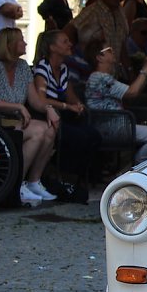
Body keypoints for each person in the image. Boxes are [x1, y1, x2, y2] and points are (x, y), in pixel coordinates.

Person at [0, 28, 60, 205]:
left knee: (50, 129)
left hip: (16, 121)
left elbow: (34, 100)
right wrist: (16, 106)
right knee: (39, 131)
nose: (25, 43)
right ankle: (16, 183)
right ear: (8, 45)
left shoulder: (23, 67)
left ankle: (33, 181)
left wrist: (48, 108)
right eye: (21, 40)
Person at [83, 38, 147, 164]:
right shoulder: (100, 78)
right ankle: (140, 163)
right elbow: (132, 92)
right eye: (109, 50)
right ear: (99, 57)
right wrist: (145, 69)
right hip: (109, 127)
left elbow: (135, 90)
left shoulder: (100, 77)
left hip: (115, 125)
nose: (113, 52)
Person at [33, 29, 102, 183]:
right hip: (47, 117)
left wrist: (77, 104)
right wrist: (67, 107)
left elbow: (69, 93)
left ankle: (81, 176)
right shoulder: (42, 68)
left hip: (64, 116)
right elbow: (41, 99)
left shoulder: (63, 68)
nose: (70, 44)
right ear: (52, 47)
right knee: (79, 138)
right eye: (65, 41)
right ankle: (64, 176)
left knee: (94, 135)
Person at [65, 0, 129, 78]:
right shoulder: (92, 11)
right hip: (94, 71)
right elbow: (70, 29)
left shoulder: (120, 12)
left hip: (113, 72)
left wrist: (128, 68)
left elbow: (122, 42)